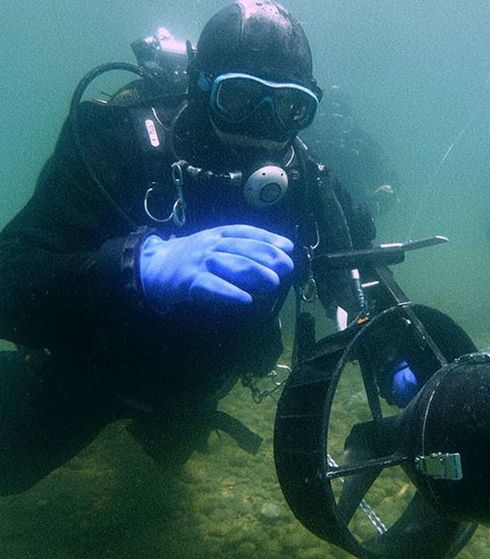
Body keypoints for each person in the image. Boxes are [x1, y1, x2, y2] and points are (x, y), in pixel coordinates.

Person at [0, 0, 377, 495]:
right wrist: (136, 267)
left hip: (195, 390)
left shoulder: (307, 180)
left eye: (289, 107)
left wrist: (394, 357)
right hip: (85, 375)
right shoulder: (115, 142)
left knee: (158, 482)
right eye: (239, 96)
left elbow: (356, 273)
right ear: (201, 85)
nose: (263, 125)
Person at [300, 84, 400, 216]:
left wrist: (385, 195)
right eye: (328, 118)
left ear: (348, 118)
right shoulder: (301, 139)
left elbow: (389, 177)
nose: (332, 125)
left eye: (337, 119)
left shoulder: (361, 143)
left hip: (355, 216)